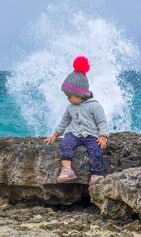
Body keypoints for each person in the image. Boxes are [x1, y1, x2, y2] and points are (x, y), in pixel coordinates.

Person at [44, 55, 109, 186]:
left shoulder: (94, 106)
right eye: (67, 96)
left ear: (81, 94)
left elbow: (102, 122)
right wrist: (55, 135)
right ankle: (67, 170)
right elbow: (64, 122)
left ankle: (96, 175)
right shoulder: (70, 107)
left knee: (96, 150)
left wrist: (103, 136)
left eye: (70, 96)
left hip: (91, 135)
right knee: (65, 145)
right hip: (74, 134)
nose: (68, 99)